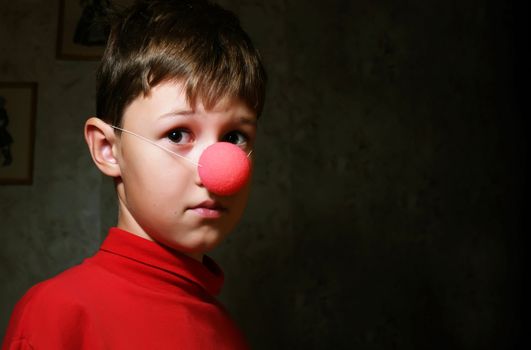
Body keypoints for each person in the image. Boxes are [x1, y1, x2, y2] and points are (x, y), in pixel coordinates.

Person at [1, 0, 266, 349]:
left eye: (234, 137)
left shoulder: (227, 333)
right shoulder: (57, 315)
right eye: (177, 134)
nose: (218, 172)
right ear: (109, 149)